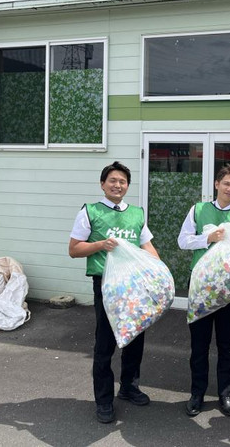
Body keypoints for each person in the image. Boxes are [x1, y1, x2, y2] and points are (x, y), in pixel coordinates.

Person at [69, 161, 160, 424]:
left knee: (134, 338)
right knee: (106, 343)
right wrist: (100, 244)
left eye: (122, 181)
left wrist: (159, 271)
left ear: (127, 186)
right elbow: (74, 249)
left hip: (134, 285)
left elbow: (147, 247)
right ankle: (104, 400)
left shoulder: (136, 214)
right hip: (106, 285)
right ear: (102, 184)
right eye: (112, 180)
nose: (117, 185)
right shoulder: (90, 212)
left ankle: (129, 387)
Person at [178, 164, 230, 417]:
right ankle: (197, 394)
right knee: (199, 344)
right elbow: (183, 241)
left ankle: (225, 394)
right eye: (226, 183)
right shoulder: (198, 210)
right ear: (216, 184)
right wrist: (208, 239)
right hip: (201, 285)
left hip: (228, 288)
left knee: (226, 344)